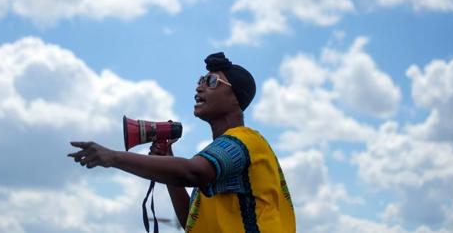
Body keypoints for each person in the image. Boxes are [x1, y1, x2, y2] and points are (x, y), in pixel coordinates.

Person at [69, 52, 295, 232]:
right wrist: (168, 162)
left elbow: (191, 173)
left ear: (235, 97)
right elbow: (191, 222)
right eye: (200, 80)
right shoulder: (215, 161)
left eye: (212, 81)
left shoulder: (245, 142)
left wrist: (114, 157)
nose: (200, 86)